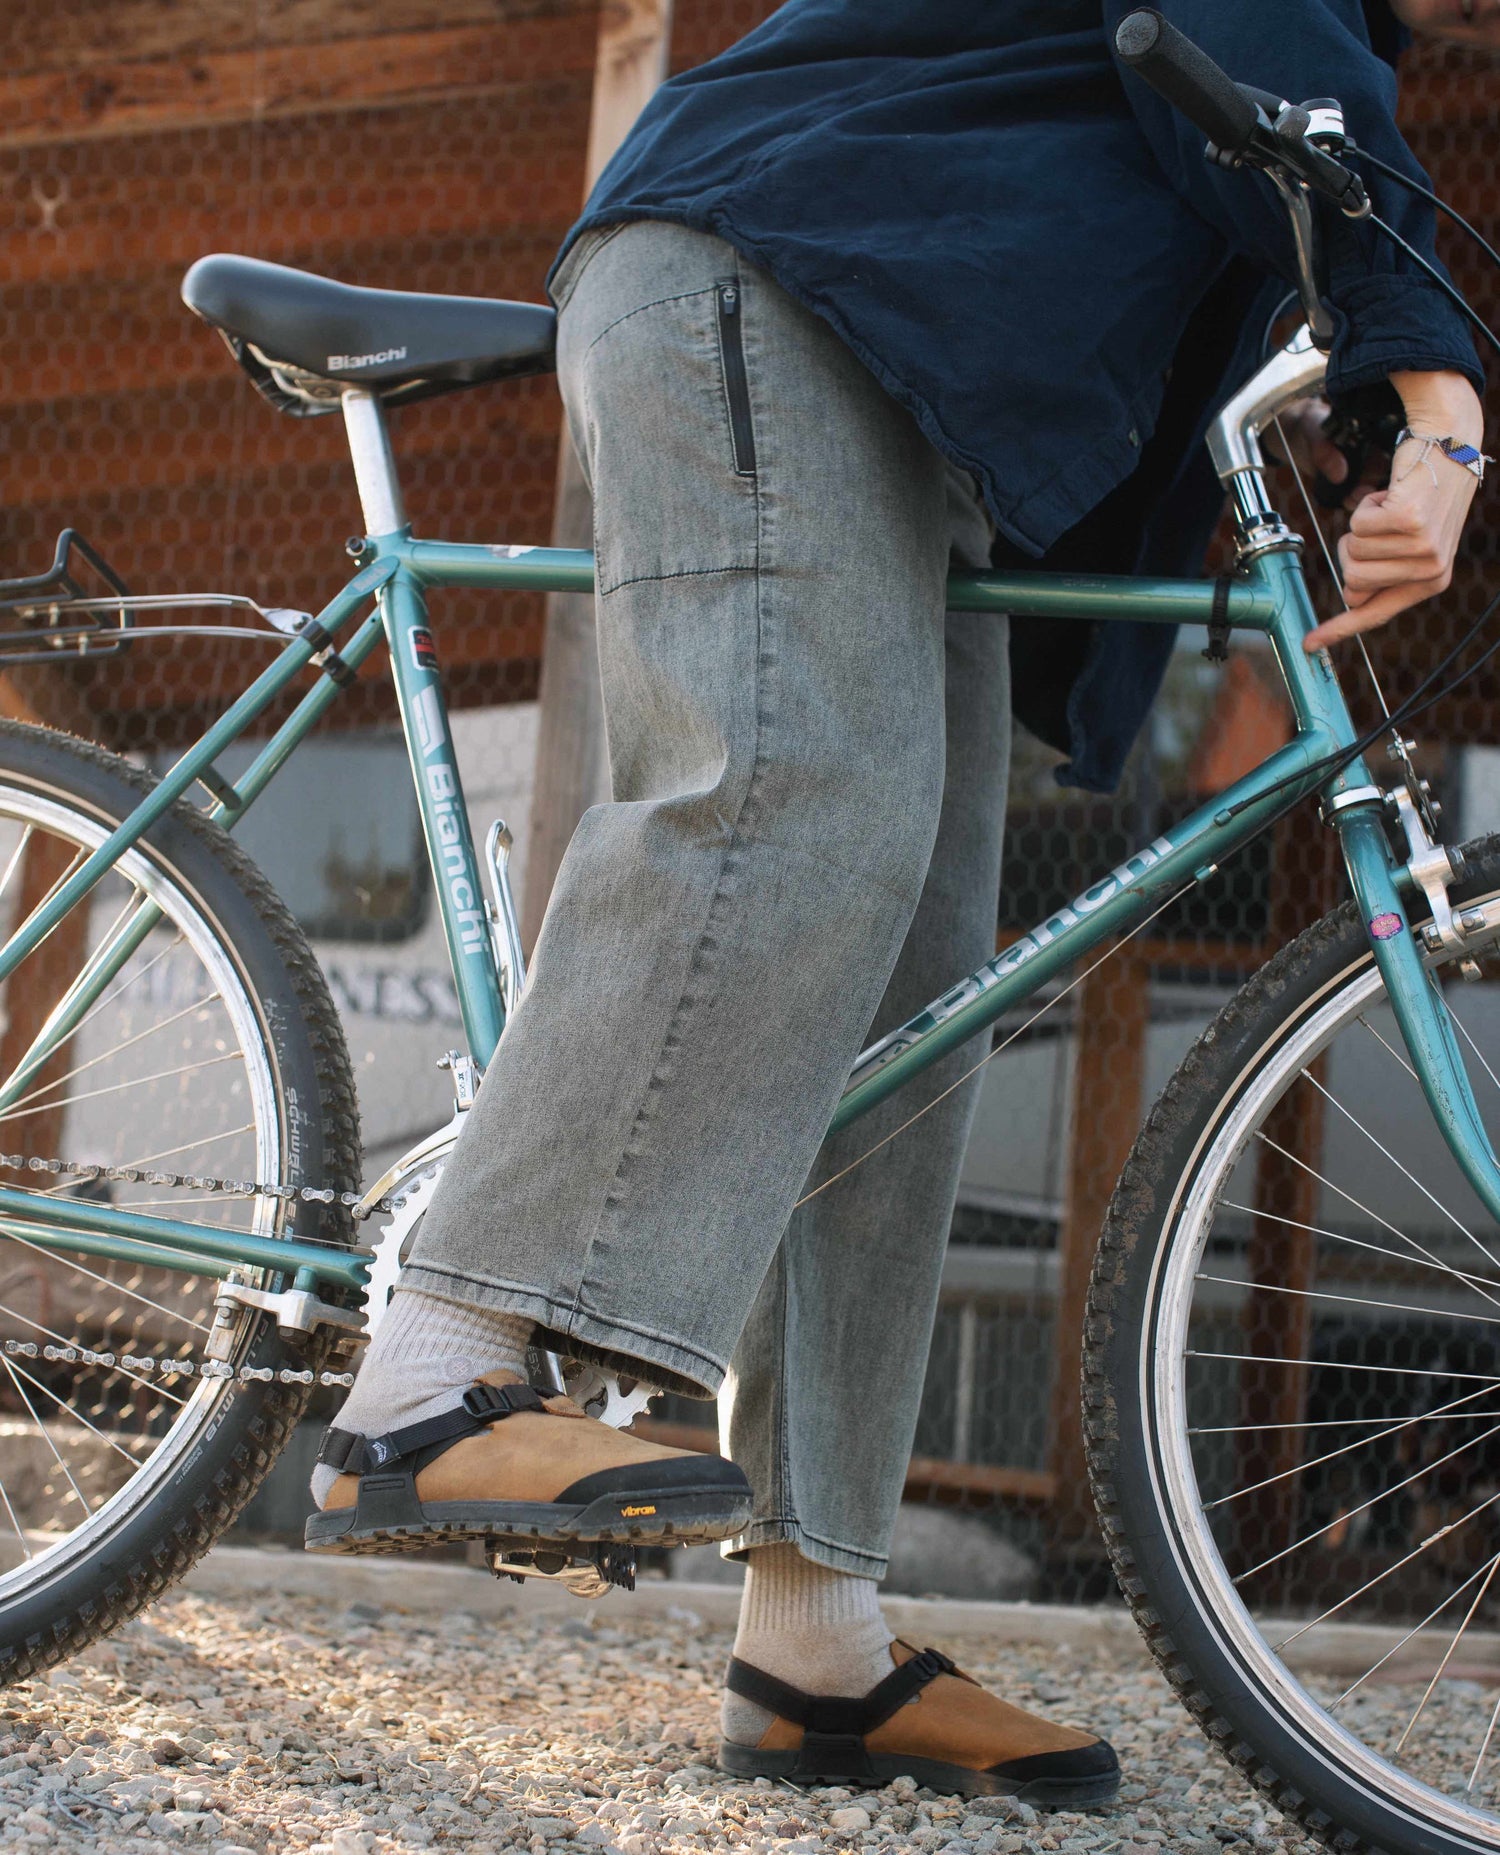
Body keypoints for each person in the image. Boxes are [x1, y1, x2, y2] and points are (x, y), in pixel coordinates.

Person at [307, 1, 1491, 1805]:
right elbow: (1286, 90)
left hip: (903, 385)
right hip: (775, 270)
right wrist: (1443, 396)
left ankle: (816, 1651)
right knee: (797, 794)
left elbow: (1239, 165)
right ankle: (438, 1366)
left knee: (913, 1002)